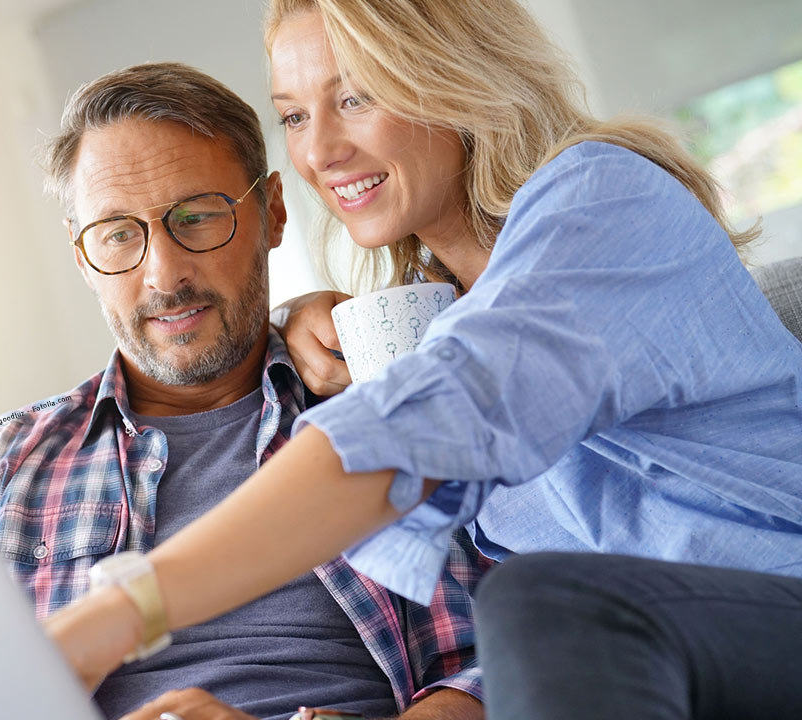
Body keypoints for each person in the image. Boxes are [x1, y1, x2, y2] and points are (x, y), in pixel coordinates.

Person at [45, 1, 802, 719]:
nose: (318, 151)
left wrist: (123, 609)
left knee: (542, 600)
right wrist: (286, 323)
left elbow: (437, 413)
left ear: (455, 77)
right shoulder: (421, 311)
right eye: (295, 116)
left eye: (357, 98)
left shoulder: (604, 202)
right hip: (646, 669)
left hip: (772, 606)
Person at [0, 62, 491, 720]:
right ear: (80, 255)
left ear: (271, 212)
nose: (164, 274)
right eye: (119, 234)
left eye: (198, 217)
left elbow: (492, 666)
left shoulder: (382, 408)